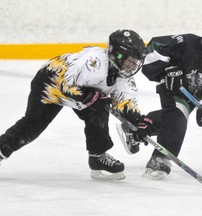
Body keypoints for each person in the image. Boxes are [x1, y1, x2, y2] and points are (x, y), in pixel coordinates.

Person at [0, 29, 152, 180]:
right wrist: (89, 97)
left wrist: (138, 122)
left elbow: (125, 102)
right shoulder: (93, 63)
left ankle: (97, 157)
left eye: (134, 63)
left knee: (98, 111)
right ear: (116, 54)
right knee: (32, 125)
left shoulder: (124, 77)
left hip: (83, 92)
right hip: (52, 84)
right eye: (129, 61)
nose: (131, 67)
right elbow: (65, 84)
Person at [125, 17, 202, 179]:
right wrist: (169, 69)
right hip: (171, 84)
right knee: (178, 115)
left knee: (175, 118)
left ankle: (139, 126)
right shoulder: (187, 43)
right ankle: (160, 158)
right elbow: (151, 50)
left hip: (192, 94)